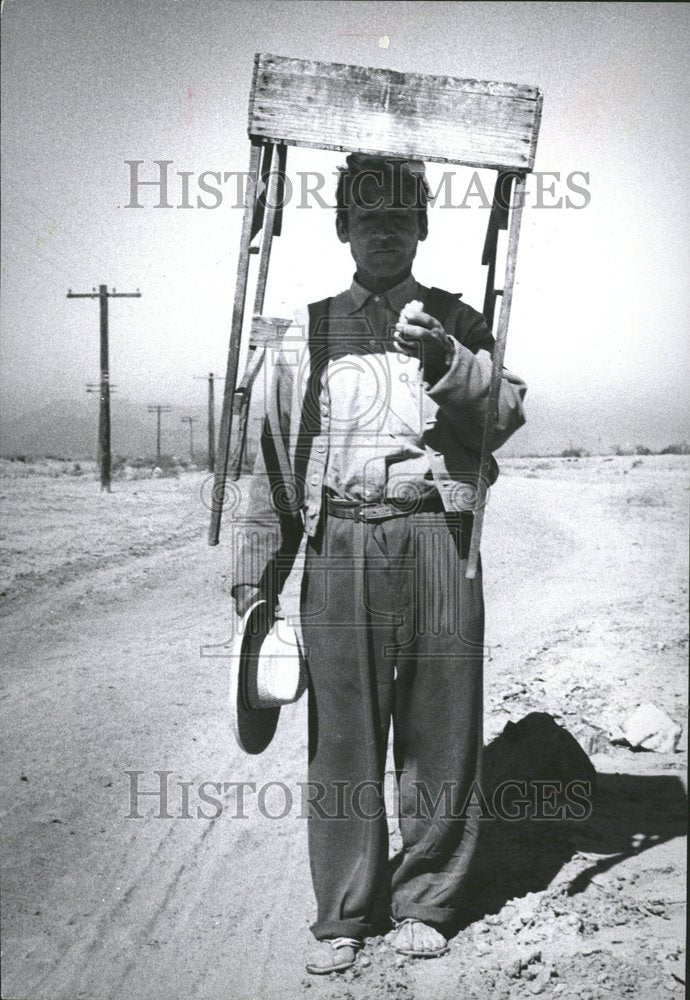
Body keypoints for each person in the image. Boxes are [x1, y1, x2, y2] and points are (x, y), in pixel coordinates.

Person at [231, 153, 527, 974]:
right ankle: (345, 915)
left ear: (423, 228)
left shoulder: (459, 321)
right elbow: (272, 463)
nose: (386, 231)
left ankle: (428, 898)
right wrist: (255, 581)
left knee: (442, 728)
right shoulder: (304, 330)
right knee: (342, 737)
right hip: (341, 541)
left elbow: (502, 415)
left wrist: (448, 362)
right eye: (369, 218)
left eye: (402, 217)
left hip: (436, 536)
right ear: (343, 230)